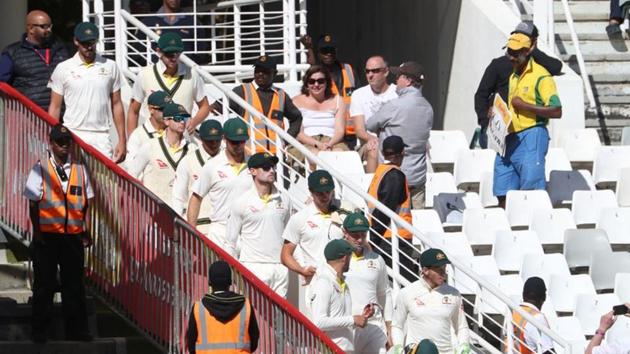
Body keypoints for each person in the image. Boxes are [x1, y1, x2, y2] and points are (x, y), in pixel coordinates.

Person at [23, 124, 94, 343]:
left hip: (72, 235)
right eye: (59, 143)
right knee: (44, 285)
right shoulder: (40, 168)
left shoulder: (80, 170)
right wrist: (37, 233)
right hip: (47, 235)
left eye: (67, 143)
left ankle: (77, 331)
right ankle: (39, 331)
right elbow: (33, 203)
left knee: (74, 285)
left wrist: (86, 228)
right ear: (51, 143)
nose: (64, 147)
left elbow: (86, 202)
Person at [493, 33, 563, 208]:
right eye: (509, 52)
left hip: (532, 135)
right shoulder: (513, 76)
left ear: (527, 51)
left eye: (515, 53)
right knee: (502, 190)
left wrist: (525, 106)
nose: (511, 57)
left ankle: (531, 231)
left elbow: (556, 110)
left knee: (531, 192)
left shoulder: (542, 76)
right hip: (509, 137)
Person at [474, 21, 562, 148]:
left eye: (524, 38)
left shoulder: (536, 66)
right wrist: (485, 121)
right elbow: (481, 95)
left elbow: (556, 66)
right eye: (517, 36)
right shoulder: (498, 64)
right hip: (497, 130)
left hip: (526, 132)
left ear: (533, 43)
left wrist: (531, 51)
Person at [48, 22, 126, 163]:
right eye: (84, 43)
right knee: (73, 182)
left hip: (101, 136)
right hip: (72, 133)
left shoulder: (110, 66)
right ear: (76, 41)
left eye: (92, 42)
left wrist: (122, 140)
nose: (89, 47)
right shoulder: (63, 68)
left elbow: (117, 104)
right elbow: (55, 107)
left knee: (103, 184)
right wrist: (52, 137)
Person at [366, 61, 433, 209]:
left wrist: (381, 129)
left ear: (408, 81)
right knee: (416, 225)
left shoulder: (394, 106)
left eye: (399, 76)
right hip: (418, 177)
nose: (395, 80)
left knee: (392, 225)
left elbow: (369, 125)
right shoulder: (428, 108)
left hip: (393, 176)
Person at [225, 152, 291, 297]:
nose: (272, 170)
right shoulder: (241, 202)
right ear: (252, 171)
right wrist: (233, 271)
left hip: (279, 268)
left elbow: (289, 237)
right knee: (254, 315)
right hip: (253, 265)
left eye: (273, 167)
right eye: (266, 168)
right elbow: (230, 242)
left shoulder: (285, 199)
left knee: (279, 318)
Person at [281, 169, 345, 313]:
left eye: (328, 191)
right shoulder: (300, 218)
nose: (325, 196)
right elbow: (285, 255)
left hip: (342, 281)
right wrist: (302, 270)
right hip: (316, 281)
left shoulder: (344, 212)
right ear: (311, 191)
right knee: (318, 328)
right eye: (320, 193)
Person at [209, 54, 302, 154]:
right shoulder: (242, 91)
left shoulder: (281, 95)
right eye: (257, 70)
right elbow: (215, 108)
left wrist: (286, 140)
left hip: (277, 155)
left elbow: (297, 118)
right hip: (250, 155)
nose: (260, 74)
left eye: (265, 71)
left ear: (274, 73)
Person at [127, 32, 210, 137]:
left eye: (177, 53)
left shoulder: (192, 74)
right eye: (169, 54)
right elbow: (133, 111)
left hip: (182, 139)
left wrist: (194, 122)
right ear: (158, 52)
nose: (173, 58)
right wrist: (131, 142)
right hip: (152, 140)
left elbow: (205, 106)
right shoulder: (145, 75)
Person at [187, 118, 252, 247]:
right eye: (234, 142)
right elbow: (196, 197)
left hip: (248, 230)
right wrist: (191, 231)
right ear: (224, 139)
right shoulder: (212, 166)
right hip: (221, 230)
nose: (238, 145)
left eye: (242, 141)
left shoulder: (253, 164)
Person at [391, 248, 469, 354]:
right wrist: (398, 347)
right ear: (425, 270)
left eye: (444, 267)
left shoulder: (454, 294)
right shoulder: (406, 293)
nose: (443, 272)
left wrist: (464, 344)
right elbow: (397, 325)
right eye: (438, 268)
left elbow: (461, 326)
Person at [308, 239, 373, 353]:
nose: (351, 259)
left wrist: (361, 318)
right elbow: (319, 322)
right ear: (344, 258)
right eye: (350, 256)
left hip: (344, 349)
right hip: (330, 349)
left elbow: (340, 319)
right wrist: (353, 320)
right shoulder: (323, 283)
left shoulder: (341, 282)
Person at [342, 212, 393, 354]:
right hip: (347, 326)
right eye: (355, 235)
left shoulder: (377, 259)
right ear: (344, 232)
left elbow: (385, 294)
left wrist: (389, 329)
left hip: (374, 326)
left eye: (363, 235)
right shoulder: (336, 259)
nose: (359, 239)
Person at [367, 135, 416, 283]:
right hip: (393, 238)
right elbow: (385, 209)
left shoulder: (380, 172)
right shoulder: (395, 175)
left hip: (385, 237)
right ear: (402, 153)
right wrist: (374, 239)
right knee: (404, 284)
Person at [186, 260, 259, 354]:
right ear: (230, 281)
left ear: (209, 282)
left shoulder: (198, 308)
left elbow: (191, 343)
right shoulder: (246, 306)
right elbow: (254, 340)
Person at [0, 10, 68, 110]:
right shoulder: (12, 52)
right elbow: (2, 84)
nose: (49, 30)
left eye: (50, 26)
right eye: (44, 26)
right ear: (31, 28)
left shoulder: (60, 49)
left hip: (59, 115)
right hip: (28, 116)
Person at [128, 103, 190, 209]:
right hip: (153, 211)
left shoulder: (192, 149)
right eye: (177, 118)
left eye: (184, 118)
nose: (182, 122)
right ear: (166, 121)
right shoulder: (150, 146)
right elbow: (131, 175)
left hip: (181, 212)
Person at [301, 34, 357, 149]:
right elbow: (312, 65)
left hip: (351, 131)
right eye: (324, 51)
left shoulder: (348, 69)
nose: (328, 54)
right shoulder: (318, 77)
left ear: (336, 51)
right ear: (319, 53)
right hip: (331, 133)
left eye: (331, 50)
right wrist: (309, 48)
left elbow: (360, 96)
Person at [290, 65, 348, 170]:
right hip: (307, 142)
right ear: (306, 84)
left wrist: (329, 145)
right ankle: (319, 185)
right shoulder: (296, 101)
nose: (316, 84)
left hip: (333, 141)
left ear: (327, 83)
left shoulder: (338, 100)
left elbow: (339, 131)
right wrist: (319, 145)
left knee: (339, 155)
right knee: (315, 156)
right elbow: (299, 133)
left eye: (320, 81)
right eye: (312, 81)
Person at [172, 119, 222, 235]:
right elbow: (178, 198)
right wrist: (179, 228)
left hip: (222, 229)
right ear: (202, 138)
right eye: (210, 141)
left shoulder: (227, 161)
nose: (214, 144)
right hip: (197, 227)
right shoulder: (188, 161)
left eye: (217, 140)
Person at [350, 55, 398, 173]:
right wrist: (375, 139)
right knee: (374, 148)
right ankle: (372, 188)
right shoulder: (358, 95)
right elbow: (360, 131)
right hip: (369, 143)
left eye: (375, 71)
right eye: (367, 71)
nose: (370, 75)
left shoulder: (397, 93)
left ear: (386, 72)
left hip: (394, 141)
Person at [139, 0, 208, 64]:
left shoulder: (192, 21)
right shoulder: (148, 21)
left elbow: (201, 51)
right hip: (155, 72)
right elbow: (137, 51)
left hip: (186, 72)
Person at [510, 276, 555, 354]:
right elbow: (548, 351)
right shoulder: (537, 318)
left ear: (523, 294)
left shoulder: (512, 313)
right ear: (544, 297)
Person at [126, 90, 170, 164]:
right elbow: (130, 167)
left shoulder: (175, 131)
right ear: (151, 109)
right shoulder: (138, 135)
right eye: (162, 109)